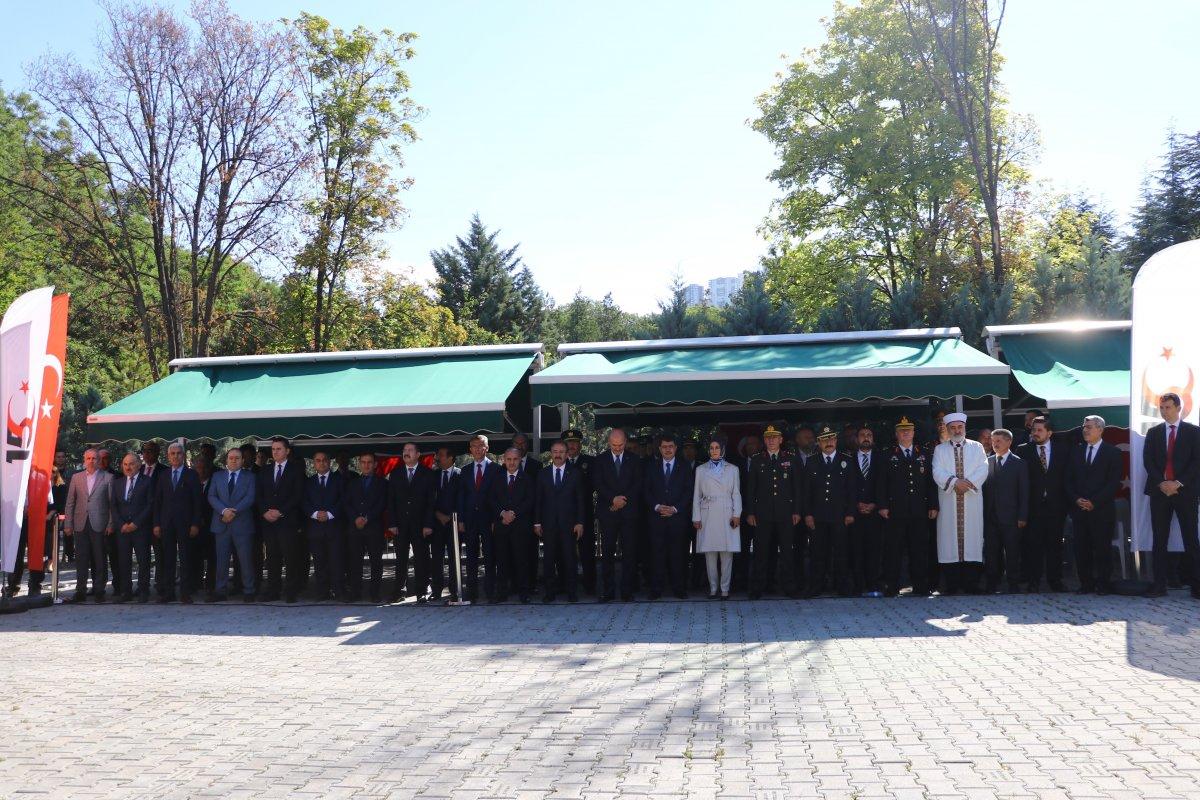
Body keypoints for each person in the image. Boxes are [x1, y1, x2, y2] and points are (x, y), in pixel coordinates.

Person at [1142, 392, 1200, 598]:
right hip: (1160, 492)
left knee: (1191, 538)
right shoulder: (1154, 433)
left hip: (1186, 492)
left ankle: (1196, 586)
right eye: (1162, 407)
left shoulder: (1194, 432)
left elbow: (1196, 461)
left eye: (1167, 407)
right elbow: (1148, 460)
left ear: (1178, 408)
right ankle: (1159, 585)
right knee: (1159, 539)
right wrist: (1162, 482)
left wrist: (1178, 482)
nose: (1164, 411)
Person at [876, 417, 938, 597]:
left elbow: (930, 483)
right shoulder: (888, 454)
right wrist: (882, 505)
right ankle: (892, 585)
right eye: (902, 431)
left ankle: (920, 585)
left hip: (919, 510)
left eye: (908, 430)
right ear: (896, 434)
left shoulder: (924, 454)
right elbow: (881, 483)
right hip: (895, 510)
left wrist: (933, 504)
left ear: (913, 433)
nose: (905, 433)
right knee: (893, 550)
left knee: (919, 549)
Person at [932, 412, 989, 595]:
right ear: (948, 429)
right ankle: (951, 585)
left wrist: (968, 483)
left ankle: (972, 584)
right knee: (949, 543)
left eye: (960, 427)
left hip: (971, 500)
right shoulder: (940, 449)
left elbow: (983, 468)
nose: (956, 430)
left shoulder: (977, 446)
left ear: (964, 428)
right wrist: (955, 482)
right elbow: (936, 471)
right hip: (949, 501)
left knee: (972, 541)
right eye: (953, 428)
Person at [1066, 415, 1122, 595]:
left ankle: (1103, 584)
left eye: (1089, 427)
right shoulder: (1075, 451)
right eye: (1084, 426)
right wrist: (1076, 499)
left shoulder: (1112, 452)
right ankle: (1086, 584)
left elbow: (1113, 483)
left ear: (1100, 429)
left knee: (1102, 549)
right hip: (1079, 510)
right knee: (1081, 549)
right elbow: (1068, 481)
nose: (1085, 430)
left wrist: (1094, 502)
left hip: (1102, 510)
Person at [746, 424, 802, 599]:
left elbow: (797, 489)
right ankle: (758, 587)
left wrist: (797, 511)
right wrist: (750, 512)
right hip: (763, 514)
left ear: (780, 440)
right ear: (764, 440)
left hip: (785, 514)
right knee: (761, 552)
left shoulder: (790, 459)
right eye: (768, 437)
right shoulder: (757, 460)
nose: (771, 440)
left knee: (787, 552)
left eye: (774, 437)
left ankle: (789, 586)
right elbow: (750, 490)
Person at [1015, 415, 1068, 592]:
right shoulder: (1022, 451)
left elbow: (1067, 479)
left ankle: (1055, 581)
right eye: (1033, 430)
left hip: (1056, 507)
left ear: (1049, 432)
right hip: (1033, 507)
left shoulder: (1062, 450)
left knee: (1055, 545)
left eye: (1039, 430)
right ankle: (1033, 581)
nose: (1035, 433)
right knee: (1033, 545)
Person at [804, 425, 858, 597]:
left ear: (836, 440)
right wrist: (808, 514)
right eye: (825, 440)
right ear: (819, 443)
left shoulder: (846, 460)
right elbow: (807, 492)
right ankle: (816, 586)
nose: (829, 443)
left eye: (832, 439)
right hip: (818, 516)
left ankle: (842, 586)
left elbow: (851, 490)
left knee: (841, 553)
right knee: (818, 553)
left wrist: (850, 513)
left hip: (839, 516)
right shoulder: (812, 461)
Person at [643, 432, 695, 599]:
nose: (667, 450)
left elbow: (689, 491)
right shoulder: (651, 467)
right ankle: (656, 589)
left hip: (677, 519)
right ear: (659, 448)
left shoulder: (685, 466)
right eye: (664, 447)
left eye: (670, 446)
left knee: (678, 554)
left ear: (675, 448)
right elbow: (646, 491)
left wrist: (675, 508)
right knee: (656, 555)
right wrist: (657, 507)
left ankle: (679, 588)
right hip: (656, 518)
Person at [594, 428, 643, 602]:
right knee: (607, 554)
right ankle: (608, 591)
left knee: (629, 553)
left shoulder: (635, 460)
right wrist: (613, 499)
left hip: (629, 514)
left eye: (620, 445)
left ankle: (626, 592)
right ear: (609, 443)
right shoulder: (600, 460)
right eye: (614, 445)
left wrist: (623, 500)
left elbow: (638, 484)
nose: (617, 448)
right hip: (608, 513)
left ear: (625, 442)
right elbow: (598, 484)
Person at [152, 441, 204, 603]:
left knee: (186, 558)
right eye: (172, 454)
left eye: (178, 453)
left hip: (186, 524)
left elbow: (198, 502)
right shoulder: (163, 475)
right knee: (168, 559)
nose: (175, 456)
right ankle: (169, 592)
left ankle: (185, 592)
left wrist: (195, 523)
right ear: (168, 456)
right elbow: (158, 502)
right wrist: (156, 524)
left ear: (183, 455)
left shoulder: (192, 475)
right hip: (166, 524)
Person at [256, 436, 306, 603]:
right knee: (272, 557)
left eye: (278, 449)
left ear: (287, 451)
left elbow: (298, 496)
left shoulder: (296, 470)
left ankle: (291, 591)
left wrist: (281, 511)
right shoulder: (265, 470)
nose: (275, 452)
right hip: (269, 521)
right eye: (273, 449)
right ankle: (273, 590)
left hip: (287, 521)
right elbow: (259, 495)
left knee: (290, 557)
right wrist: (264, 512)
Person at [534, 441, 584, 603]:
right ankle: (550, 592)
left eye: (561, 451)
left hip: (569, 524)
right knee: (549, 559)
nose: (558, 454)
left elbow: (580, 500)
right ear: (551, 453)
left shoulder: (575, 473)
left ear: (566, 453)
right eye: (555, 451)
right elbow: (538, 500)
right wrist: (537, 522)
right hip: (548, 525)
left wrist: (579, 522)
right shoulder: (543, 474)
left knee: (569, 559)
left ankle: (572, 592)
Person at [387, 442, 436, 603]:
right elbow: (391, 502)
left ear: (418, 454)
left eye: (410, 450)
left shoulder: (428, 474)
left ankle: (422, 590)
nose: (406, 453)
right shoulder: (395, 474)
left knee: (421, 558)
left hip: (420, 524)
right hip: (400, 525)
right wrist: (392, 523)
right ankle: (400, 590)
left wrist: (428, 524)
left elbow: (431, 502)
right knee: (400, 558)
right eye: (404, 450)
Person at [692, 437, 741, 599]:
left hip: (727, 512)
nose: (714, 450)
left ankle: (725, 589)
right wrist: (696, 517)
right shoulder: (700, 469)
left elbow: (736, 493)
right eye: (711, 448)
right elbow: (696, 495)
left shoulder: (733, 469)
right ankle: (713, 588)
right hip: (708, 512)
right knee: (710, 554)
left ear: (723, 449)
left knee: (727, 554)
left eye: (717, 447)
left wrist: (737, 514)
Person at [65, 448, 115, 602]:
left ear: (99, 461)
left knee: (100, 558)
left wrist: (110, 523)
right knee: (81, 559)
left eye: (94, 458)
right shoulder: (76, 477)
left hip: (99, 523)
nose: (91, 461)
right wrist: (68, 523)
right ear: (84, 460)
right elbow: (70, 502)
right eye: (89, 458)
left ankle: (99, 590)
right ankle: (80, 590)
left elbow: (112, 504)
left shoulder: (108, 478)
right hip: (80, 523)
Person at [208, 448, 257, 603]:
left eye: (237, 458)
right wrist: (224, 511)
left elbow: (250, 497)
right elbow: (211, 496)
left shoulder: (250, 477)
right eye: (231, 458)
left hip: (242, 523)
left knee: (245, 560)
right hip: (221, 523)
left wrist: (233, 511)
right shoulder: (217, 476)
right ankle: (220, 591)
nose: (233, 460)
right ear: (226, 460)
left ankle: (249, 590)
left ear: (243, 460)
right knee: (221, 559)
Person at [488, 447, 535, 603]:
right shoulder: (497, 478)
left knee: (521, 560)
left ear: (520, 460)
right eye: (508, 459)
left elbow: (530, 501)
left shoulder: (527, 479)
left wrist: (513, 513)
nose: (512, 462)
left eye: (515, 459)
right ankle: (502, 593)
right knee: (502, 561)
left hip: (520, 526)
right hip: (502, 526)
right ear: (504, 460)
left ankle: (524, 593)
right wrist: (502, 513)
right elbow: (491, 499)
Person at [983, 430, 1028, 594]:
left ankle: (1013, 583)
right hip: (991, 517)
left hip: (1012, 517)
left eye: (999, 441)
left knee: (1012, 552)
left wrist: (1022, 516)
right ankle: (992, 583)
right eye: (993, 440)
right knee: (991, 552)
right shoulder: (987, 462)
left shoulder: (1019, 463)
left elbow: (1024, 492)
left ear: (1009, 442)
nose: (994, 444)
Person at [458, 435, 499, 602]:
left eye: (480, 445)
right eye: (474, 446)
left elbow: (498, 496)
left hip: (489, 520)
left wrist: (496, 520)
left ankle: (490, 592)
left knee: (490, 557)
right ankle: (472, 592)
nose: (477, 449)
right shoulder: (465, 470)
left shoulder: (496, 469)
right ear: (470, 449)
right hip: (470, 520)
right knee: (471, 557)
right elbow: (461, 496)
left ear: (487, 448)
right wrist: (461, 519)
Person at [344, 452, 387, 603]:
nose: (366, 465)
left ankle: (374, 593)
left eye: (369, 462)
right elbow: (347, 504)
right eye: (363, 462)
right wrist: (355, 518)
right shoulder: (352, 483)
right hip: (355, 528)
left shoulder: (383, 483)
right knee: (355, 562)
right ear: (359, 463)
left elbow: (382, 504)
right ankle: (355, 592)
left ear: (375, 464)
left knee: (376, 562)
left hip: (374, 527)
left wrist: (368, 518)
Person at [110, 452, 153, 603]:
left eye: (131, 464)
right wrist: (121, 524)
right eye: (125, 464)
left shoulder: (147, 482)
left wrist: (136, 523)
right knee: (124, 561)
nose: (128, 467)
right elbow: (113, 506)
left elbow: (150, 505)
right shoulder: (117, 483)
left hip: (140, 528)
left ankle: (143, 591)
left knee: (143, 561)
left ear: (139, 465)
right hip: (123, 530)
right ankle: (125, 592)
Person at [303, 451, 345, 602]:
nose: (321, 463)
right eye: (318, 460)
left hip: (334, 527)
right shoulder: (308, 482)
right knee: (319, 563)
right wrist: (315, 514)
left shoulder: (339, 480)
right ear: (314, 463)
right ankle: (322, 592)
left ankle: (339, 592)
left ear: (330, 462)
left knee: (336, 562)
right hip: (315, 529)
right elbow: (304, 502)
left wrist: (330, 514)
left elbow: (344, 500)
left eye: (324, 460)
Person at [850, 426, 882, 597]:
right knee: (856, 551)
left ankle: (873, 585)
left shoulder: (880, 458)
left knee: (874, 551)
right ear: (857, 439)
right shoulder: (848, 459)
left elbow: (884, 484)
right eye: (862, 435)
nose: (866, 438)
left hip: (875, 513)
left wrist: (875, 504)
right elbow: (845, 486)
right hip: (855, 513)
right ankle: (857, 586)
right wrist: (856, 504)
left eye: (869, 435)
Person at [563, 429, 597, 595]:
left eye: (575, 442)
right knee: (565, 552)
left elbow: (594, 486)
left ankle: (590, 585)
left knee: (587, 551)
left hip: (585, 513)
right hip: (564, 515)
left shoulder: (590, 462)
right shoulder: (559, 462)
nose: (572, 446)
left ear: (580, 445)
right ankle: (568, 586)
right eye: (569, 443)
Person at [511, 432, 543, 597]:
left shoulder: (536, 466)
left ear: (527, 445)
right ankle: (516, 585)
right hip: (512, 520)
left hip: (530, 517)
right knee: (514, 553)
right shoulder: (505, 466)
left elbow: (538, 494)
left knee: (531, 553)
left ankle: (531, 584)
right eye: (517, 443)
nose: (520, 446)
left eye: (523, 443)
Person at [430, 446, 461, 601]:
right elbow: (429, 499)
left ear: (450, 458)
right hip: (436, 524)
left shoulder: (460, 474)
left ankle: (455, 590)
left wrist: (451, 515)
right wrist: (437, 514)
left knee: (454, 557)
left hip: (454, 523)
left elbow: (462, 498)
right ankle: (436, 590)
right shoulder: (433, 475)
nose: (438, 458)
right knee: (436, 558)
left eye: (441, 455)